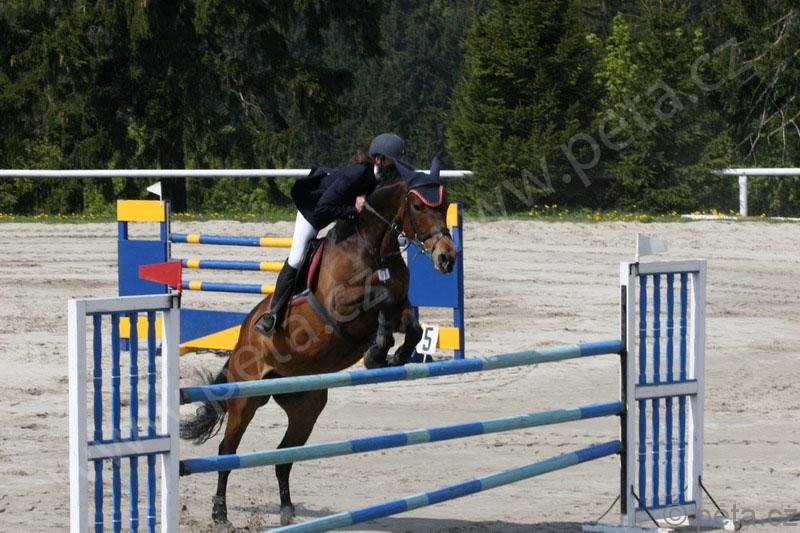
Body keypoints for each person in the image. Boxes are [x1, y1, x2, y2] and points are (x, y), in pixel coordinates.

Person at [253, 133, 406, 336]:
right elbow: (323, 209)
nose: (396, 166)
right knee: (297, 258)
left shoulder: (385, 176)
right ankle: (272, 314)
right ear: (379, 159)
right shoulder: (357, 174)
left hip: (342, 210)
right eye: (393, 161)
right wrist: (354, 210)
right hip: (314, 210)